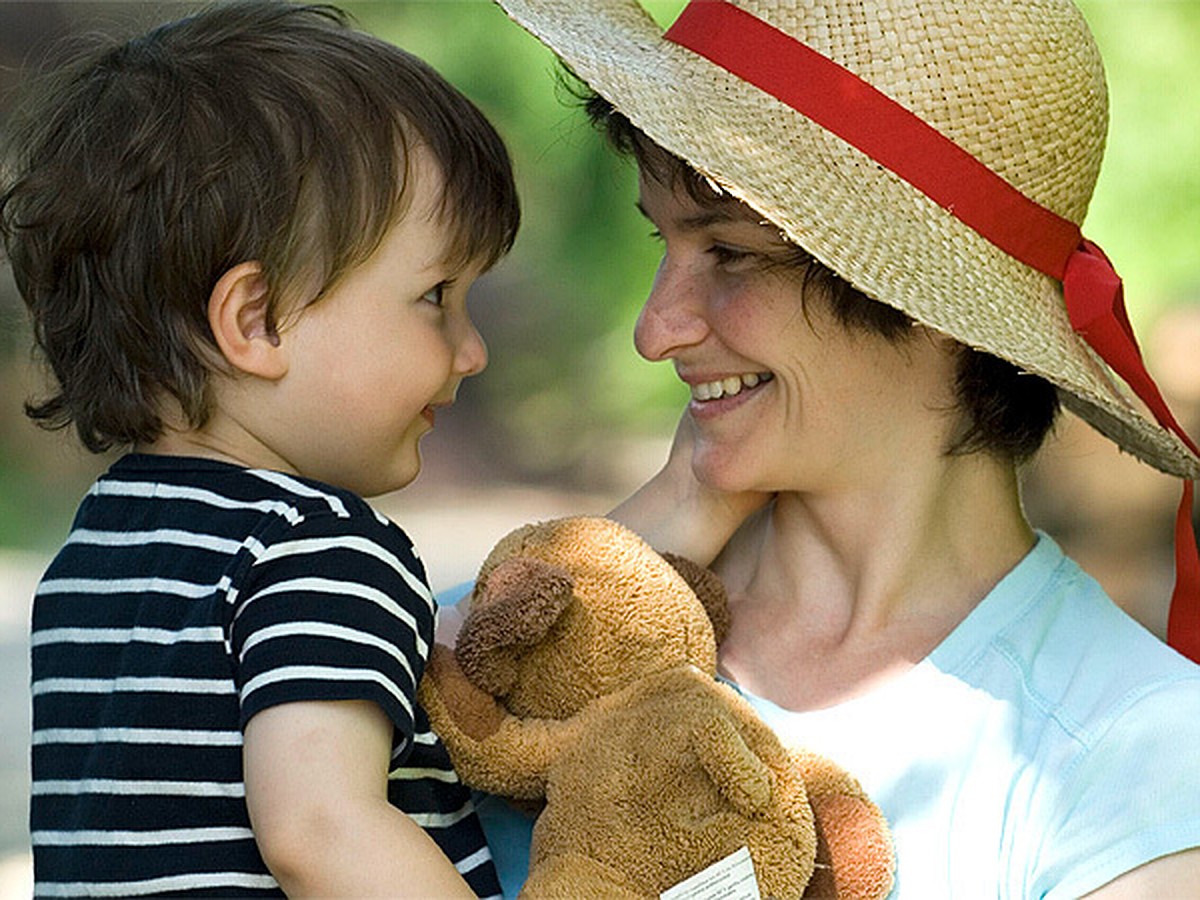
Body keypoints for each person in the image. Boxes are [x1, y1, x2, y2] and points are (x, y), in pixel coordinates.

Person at [477, 0, 1200, 896]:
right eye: (661, 238)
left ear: (937, 308)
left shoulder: (1126, 753)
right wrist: (662, 524)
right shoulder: (586, 619)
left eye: (731, 254)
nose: (654, 330)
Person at [1, 1, 519, 895]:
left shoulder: (96, 555)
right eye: (436, 295)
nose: (471, 351)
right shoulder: (315, 545)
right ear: (257, 319)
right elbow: (321, 830)